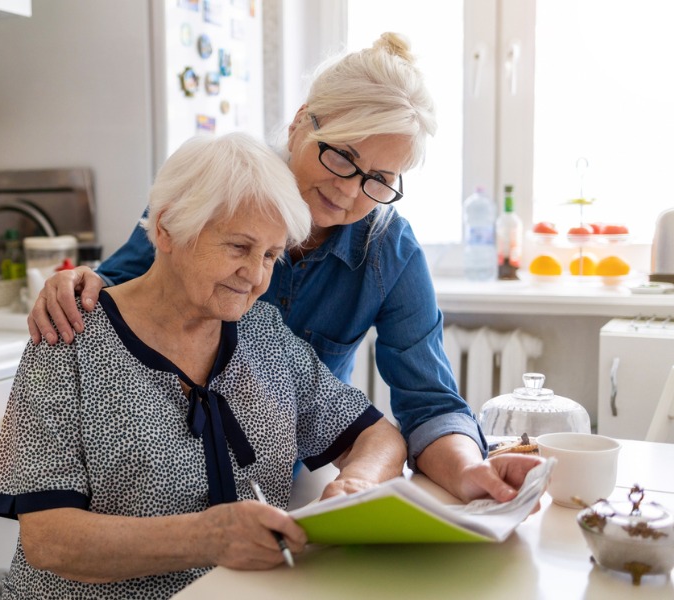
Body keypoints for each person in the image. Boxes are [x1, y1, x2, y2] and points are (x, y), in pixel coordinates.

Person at [26, 32, 544, 504]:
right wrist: (75, 283)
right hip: (160, 481)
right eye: (342, 156)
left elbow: (429, 403)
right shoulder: (215, 191)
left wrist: (470, 469)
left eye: (378, 178)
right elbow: (119, 292)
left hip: (283, 480)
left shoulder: (390, 251)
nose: (347, 189)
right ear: (301, 123)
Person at [0, 132, 408, 598]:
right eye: (238, 248)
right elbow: (50, 540)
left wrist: (357, 482)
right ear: (166, 228)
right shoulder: (70, 338)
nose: (256, 277)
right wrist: (206, 538)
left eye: (270, 255)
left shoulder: (263, 333)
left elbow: (377, 435)